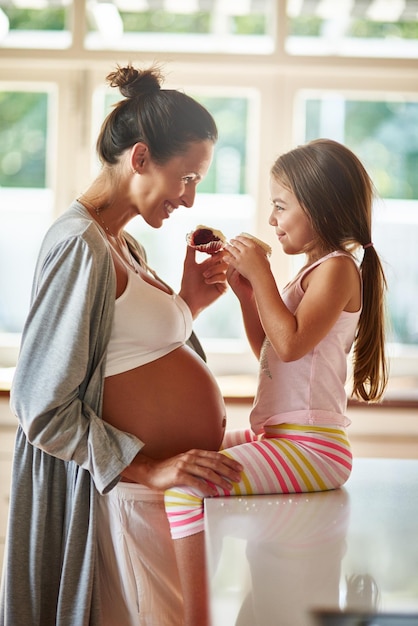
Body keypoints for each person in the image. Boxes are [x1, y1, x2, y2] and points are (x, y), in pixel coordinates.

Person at [0, 64, 242, 626]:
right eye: (186, 176)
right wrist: (149, 467)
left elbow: (129, 355)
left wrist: (188, 304)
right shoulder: (79, 245)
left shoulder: (122, 243)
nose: (189, 197)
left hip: (159, 502)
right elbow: (41, 407)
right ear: (139, 158)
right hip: (121, 495)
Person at [164, 138, 388, 624]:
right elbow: (272, 353)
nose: (271, 220)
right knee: (187, 450)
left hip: (314, 448)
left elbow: (289, 345)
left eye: (280, 206)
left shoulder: (338, 270)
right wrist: (248, 295)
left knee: (185, 487)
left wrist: (261, 272)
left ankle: (192, 616)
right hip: (285, 438)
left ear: (321, 208)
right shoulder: (309, 275)